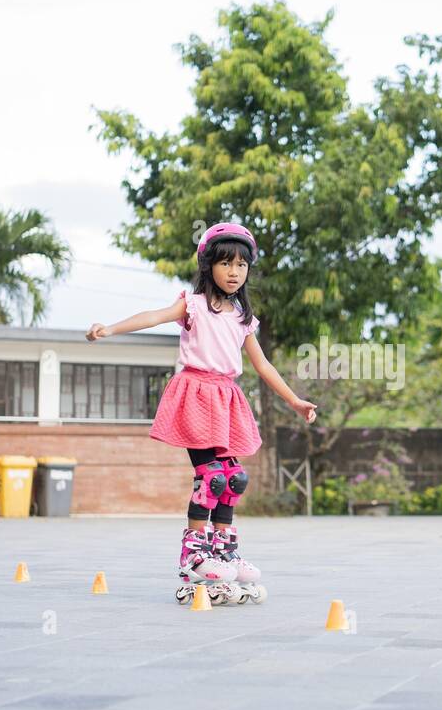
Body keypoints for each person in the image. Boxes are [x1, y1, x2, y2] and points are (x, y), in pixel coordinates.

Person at [86, 222, 317, 602]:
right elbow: (152, 317)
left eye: (242, 265)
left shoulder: (242, 316)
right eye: (226, 263)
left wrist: (294, 400)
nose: (234, 272)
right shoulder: (192, 305)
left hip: (226, 398)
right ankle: (194, 552)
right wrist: (109, 329)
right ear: (209, 265)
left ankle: (224, 548)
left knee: (234, 478)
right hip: (194, 393)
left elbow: (263, 366)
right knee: (211, 478)